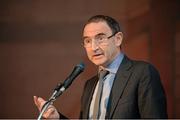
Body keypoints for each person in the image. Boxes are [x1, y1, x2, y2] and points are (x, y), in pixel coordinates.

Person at [34, 15, 167, 119]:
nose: (94, 47)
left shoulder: (142, 73)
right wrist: (57, 118)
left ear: (118, 39)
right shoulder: (90, 85)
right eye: (88, 41)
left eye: (100, 38)